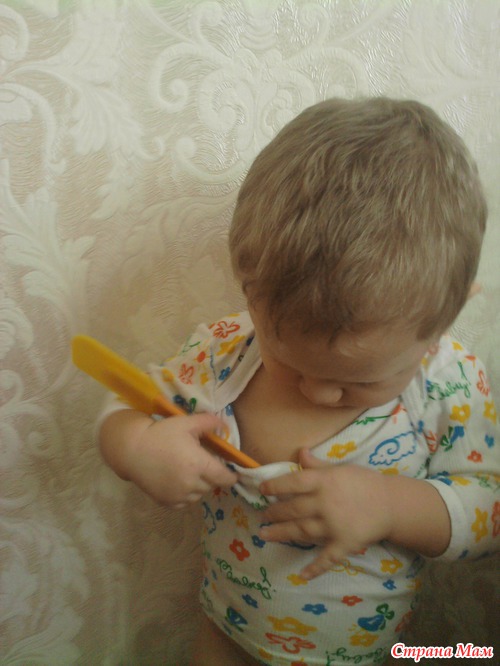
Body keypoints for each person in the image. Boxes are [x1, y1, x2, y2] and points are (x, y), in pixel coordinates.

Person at [98, 98, 499, 666]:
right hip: (225, 630)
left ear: (444, 319)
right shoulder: (225, 353)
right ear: (252, 294)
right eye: (289, 362)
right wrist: (136, 446)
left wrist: (389, 505)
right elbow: (128, 401)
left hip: (367, 652)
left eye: (360, 380)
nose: (318, 392)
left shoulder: (446, 384)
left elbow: (489, 510)